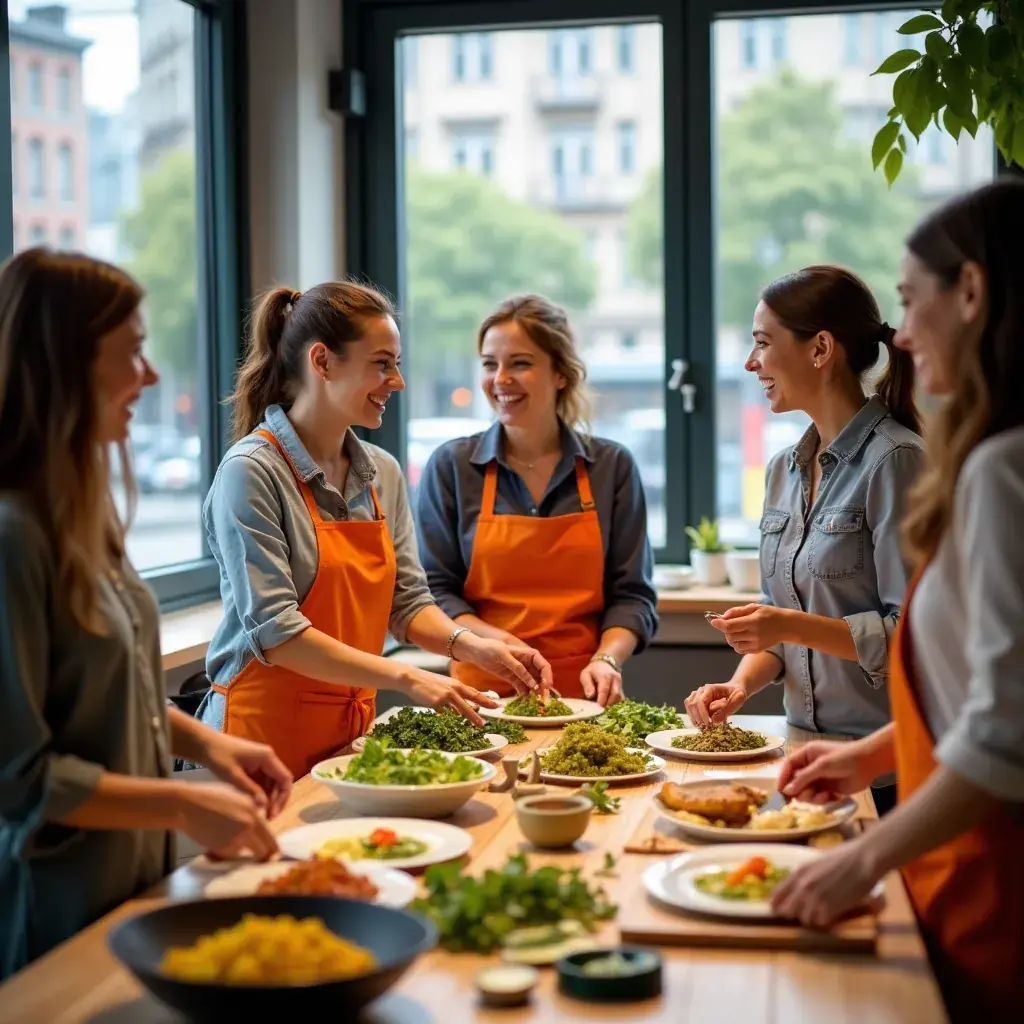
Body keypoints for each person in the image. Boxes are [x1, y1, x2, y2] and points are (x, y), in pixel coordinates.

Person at [770, 180, 1024, 1022]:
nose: (902, 335)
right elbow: (972, 690)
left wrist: (861, 858)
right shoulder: (986, 458)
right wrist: (875, 755)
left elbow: (1005, 728)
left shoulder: (998, 471)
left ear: (975, 293)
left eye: (913, 301)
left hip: (992, 871)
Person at [0, 249, 290, 979]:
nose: (151, 377)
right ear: (64, 362)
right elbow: (23, 781)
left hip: (127, 891)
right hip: (50, 912)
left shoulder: (80, 515)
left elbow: (114, 689)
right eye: (132, 352)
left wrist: (211, 746)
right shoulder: (12, 537)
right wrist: (181, 806)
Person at [198, 281, 551, 779]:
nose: (398, 382)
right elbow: (278, 635)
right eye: (382, 364)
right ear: (322, 362)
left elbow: (406, 604)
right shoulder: (251, 471)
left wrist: (473, 646)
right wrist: (409, 677)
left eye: (398, 364)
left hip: (347, 740)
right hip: (256, 742)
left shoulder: (381, 472)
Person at [685, 266, 923, 815]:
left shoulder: (896, 461)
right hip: (803, 759)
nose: (751, 364)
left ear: (820, 349)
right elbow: (784, 615)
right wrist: (742, 686)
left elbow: (913, 638)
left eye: (762, 344)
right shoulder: (783, 469)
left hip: (884, 773)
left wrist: (786, 625)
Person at [415, 294, 659, 706]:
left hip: (583, 697)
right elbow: (436, 591)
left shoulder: (611, 467)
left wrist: (608, 660)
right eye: (490, 364)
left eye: (520, 363)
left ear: (561, 373)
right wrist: (500, 645)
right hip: (480, 696)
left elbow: (632, 595)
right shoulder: (452, 467)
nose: (501, 378)